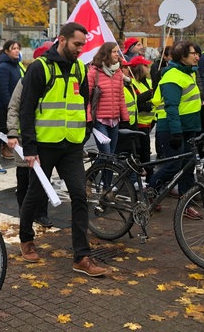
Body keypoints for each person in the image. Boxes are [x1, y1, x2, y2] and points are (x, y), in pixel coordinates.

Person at [18, 22, 108, 277]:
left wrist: (86, 132)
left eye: (83, 45)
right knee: (35, 195)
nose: (80, 49)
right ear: (62, 40)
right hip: (44, 146)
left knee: (79, 196)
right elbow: (26, 109)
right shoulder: (40, 68)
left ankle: (82, 256)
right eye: (76, 44)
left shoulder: (81, 69)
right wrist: (30, 147)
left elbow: (84, 102)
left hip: (71, 146)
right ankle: (26, 238)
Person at [146, 42, 203, 217]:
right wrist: (176, 132)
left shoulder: (188, 73)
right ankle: (151, 190)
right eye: (194, 53)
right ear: (182, 57)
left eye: (198, 54)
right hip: (171, 129)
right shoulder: (172, 76)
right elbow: (171, 107)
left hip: (187, 128)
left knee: (187, 165)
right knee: (173, 165)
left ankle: (185, 204)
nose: (197, 57)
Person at [7, 77, 52, 227]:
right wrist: (12, 132)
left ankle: (41, 213)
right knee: (24, 176)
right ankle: (24, 211)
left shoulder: (52, 81)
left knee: (43, 177)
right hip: (24, 137)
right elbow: (13, 107)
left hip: (45, 137)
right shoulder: (24, 82)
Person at [88, 42, 129, 155]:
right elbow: (86, 97)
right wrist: (89, 119)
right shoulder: (94, 72)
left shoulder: (118, 72)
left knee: (110, 156)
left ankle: (95, 173)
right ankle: (94, 172)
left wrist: (125, 117)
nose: (117, 54)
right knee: (106, 154)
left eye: (118, 51)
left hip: (114, 121)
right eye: (114, 52)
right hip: (100, 121)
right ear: (106, 54)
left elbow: (121, 96)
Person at [0, 40, 24, 174]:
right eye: (13, 48)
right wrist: (12, 108)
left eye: (17, 48)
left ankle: (10, 158)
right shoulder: (3, 67)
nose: (16, 50)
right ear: (6, 51)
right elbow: (4, 91)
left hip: (14, 107)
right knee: (1, 135)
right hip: (5, 109)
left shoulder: (17, 65)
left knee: (7, 135)